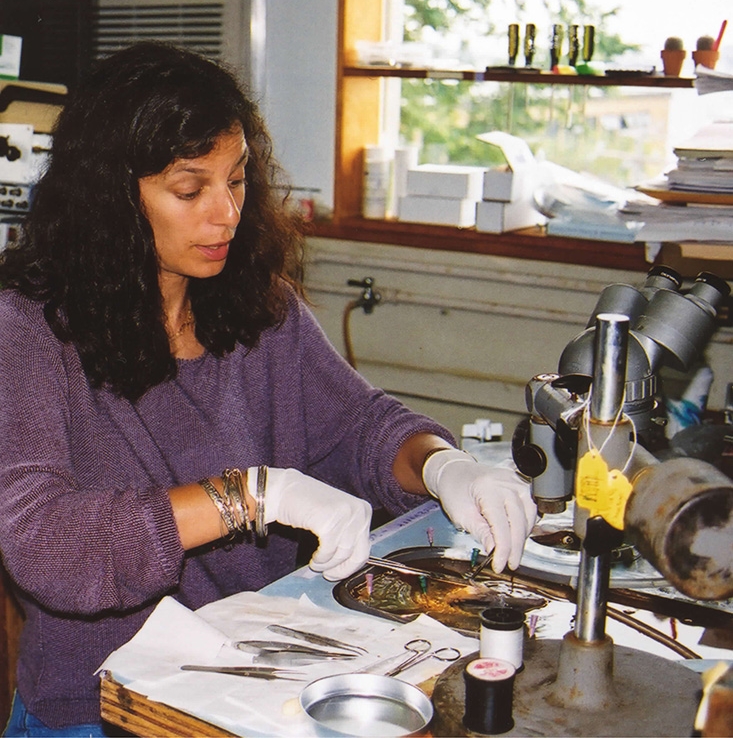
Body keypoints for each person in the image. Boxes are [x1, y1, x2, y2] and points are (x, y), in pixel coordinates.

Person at [0, 42, 536, 736]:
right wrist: (252, 496)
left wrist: (443, 464)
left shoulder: (258, 306)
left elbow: (359, 425)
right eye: (190, 190)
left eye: (238, 179)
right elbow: (48, 545)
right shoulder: (29, 331)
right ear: (110, 199)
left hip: (257, 673)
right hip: (104, 702)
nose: (225, 213)